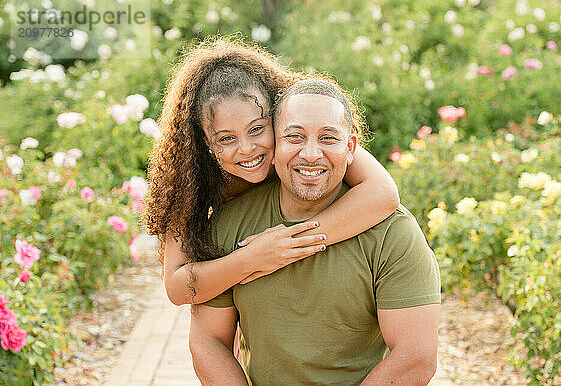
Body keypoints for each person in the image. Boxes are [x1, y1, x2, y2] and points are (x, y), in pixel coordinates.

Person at [191, 79, 442, 386]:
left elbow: (416, 357)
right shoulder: (230, 223)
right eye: (294, 137)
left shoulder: (394, 233)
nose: (310, 153)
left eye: (328, 138)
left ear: (350, 148)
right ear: (273, 146)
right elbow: (208, 340)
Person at [142, 37, 400, 310]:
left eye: (256, 129)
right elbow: (176, 286)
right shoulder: (191, 179)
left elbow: (383, 193)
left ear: (277, 118)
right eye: (226, 139)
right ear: (206, 141)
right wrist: (253, 258)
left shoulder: (303, 134)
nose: (247, 149)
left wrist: (288, 245)